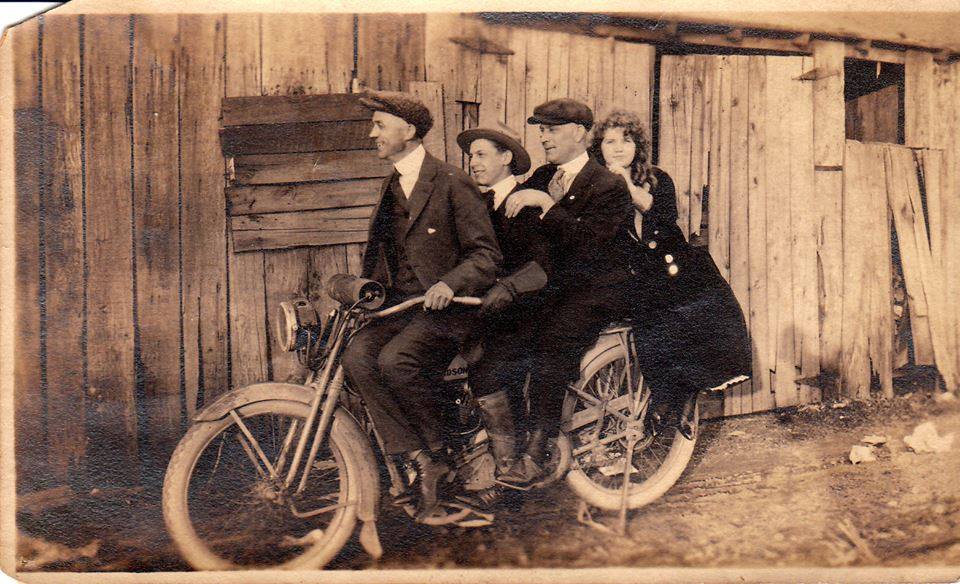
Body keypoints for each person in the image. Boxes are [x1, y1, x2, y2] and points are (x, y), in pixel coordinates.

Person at [341, 91, 502, 519]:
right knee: (356, 356)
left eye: (379, 125)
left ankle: (445, 452)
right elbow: (381, 256)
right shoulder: (392, 184)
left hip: (449, 309)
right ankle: (420, 457)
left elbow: (486, 256)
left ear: (408, 131)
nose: (371, 133)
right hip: (402, 307)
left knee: (396, 361)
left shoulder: (451, 181)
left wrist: (450, 283)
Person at [496, 98, 634, 486]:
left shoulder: (608, 185)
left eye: (551, 130)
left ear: (579, 133)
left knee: (553, 341)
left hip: (597, 289)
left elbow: (592, 245)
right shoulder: (542, 176)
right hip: (551, 287)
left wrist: (544, 205)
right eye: (541, 130)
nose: (543, 138)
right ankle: (504, 442)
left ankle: (538, 451)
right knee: (500, 333)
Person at [590, 110, 752, 438]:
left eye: (627, 140)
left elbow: (663, 214)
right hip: (636, 273)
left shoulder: (657, 178)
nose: (618, 147)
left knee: (704, 313)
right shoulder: (595, 185)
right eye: (610, 141)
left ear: (638, 146)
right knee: (651, 320)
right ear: (599, 147)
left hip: (676, 264)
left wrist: (626, 185)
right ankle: (669, 398)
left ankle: (685, 395)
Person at [455, 122, 550, 486]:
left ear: (506, 158)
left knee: (487, 367)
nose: (473, 163)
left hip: (527, 311)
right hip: (484, 310)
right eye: (470, 156)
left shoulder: (527, 202)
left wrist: (509, 288)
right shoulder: (475, 205)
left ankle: (509, 466)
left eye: (481, 155)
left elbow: (544, 265)